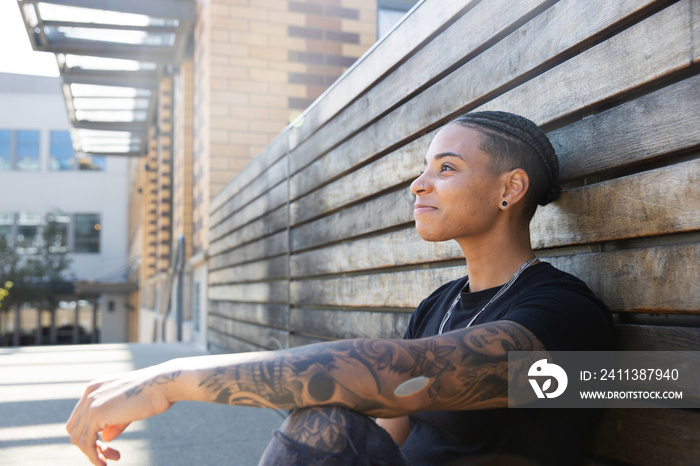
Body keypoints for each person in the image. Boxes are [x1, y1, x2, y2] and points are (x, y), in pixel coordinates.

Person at [66, 111, 613, 466]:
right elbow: (388, 424)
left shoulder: (564, 313)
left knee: (327, 423)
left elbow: (402, 374)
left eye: (446, 168)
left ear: (510, 189)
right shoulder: (440, 305)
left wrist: (172, 380)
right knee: (325, 424)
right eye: (423, 169)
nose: (419, 184)